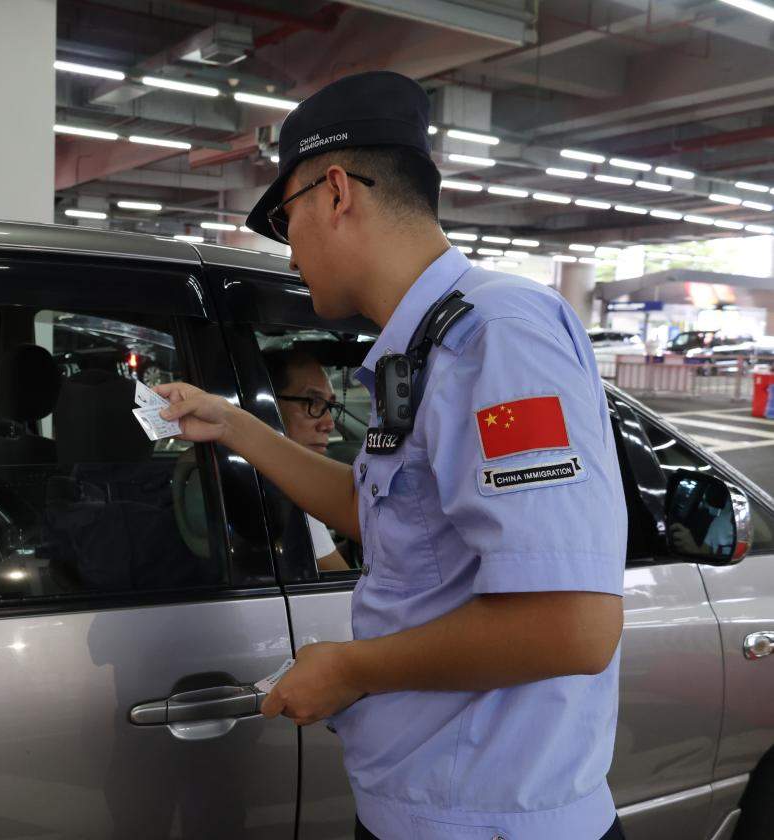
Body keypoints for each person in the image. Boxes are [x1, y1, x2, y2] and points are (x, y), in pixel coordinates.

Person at [156, 71, 626, 840]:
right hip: (424, 806)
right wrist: (234, 427)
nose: (287, 244)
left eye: (285, 216)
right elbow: (382, 515)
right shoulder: (423, 346)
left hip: (489, 823)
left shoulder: (499, 335)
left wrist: (349, 670)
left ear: (336, 192)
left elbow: (571, 625)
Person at [263, 347, 349, 572]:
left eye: (329, 406)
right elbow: (345, 590)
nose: (329, 424)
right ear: (268, 406)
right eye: (311, 402)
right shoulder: (285, 491)